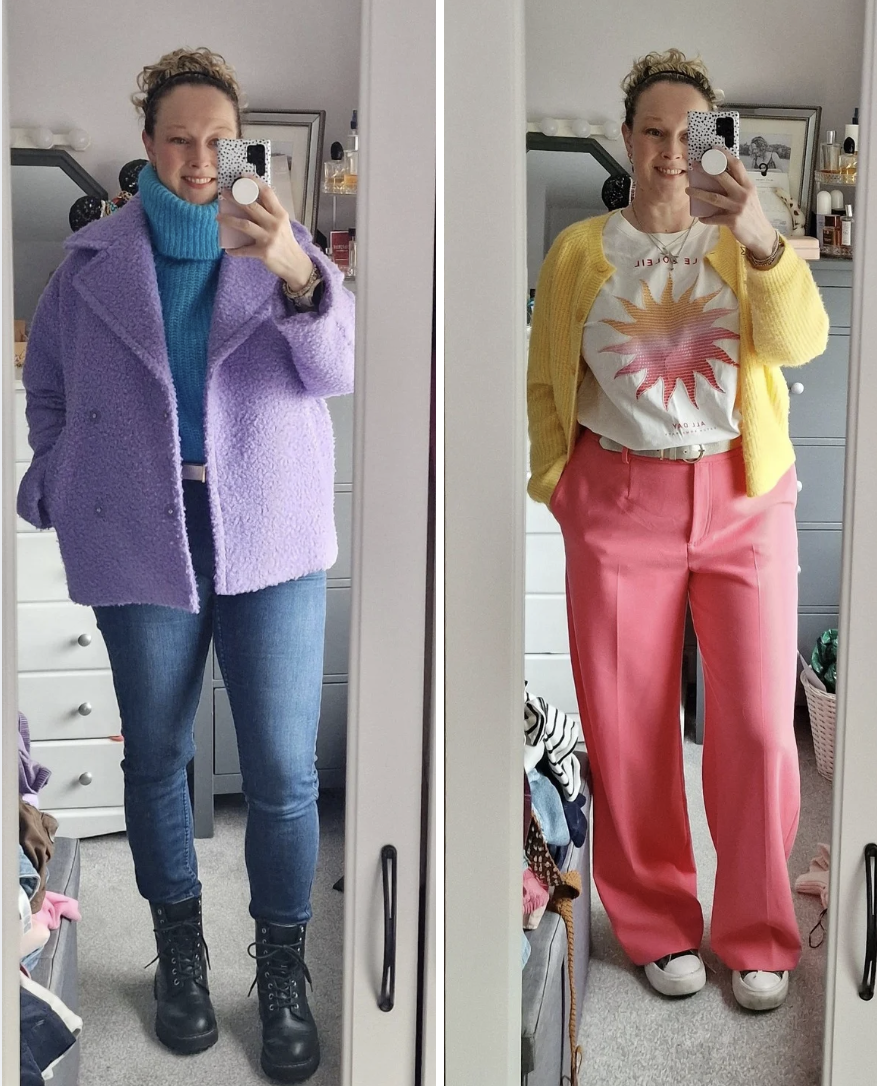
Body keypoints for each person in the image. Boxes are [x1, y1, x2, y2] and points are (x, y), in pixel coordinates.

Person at [17, 47, 355, 1082]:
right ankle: (180, 956)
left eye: (219, 140)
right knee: (158, 756)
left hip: (272, 532)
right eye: (180, 139)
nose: (202, 160)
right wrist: (58, 474)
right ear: (148, 145)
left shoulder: (288, 250)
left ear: (242, 144)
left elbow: (337, 371)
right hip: (139, 528)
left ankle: (282, 967)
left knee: (284, 771)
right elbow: (49, 392)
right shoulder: (90, 262)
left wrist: (295, 268)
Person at [527, 48, 829, 1013]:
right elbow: (546, 379)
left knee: (758, 726)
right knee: (629, 727)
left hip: (742, 495)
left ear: (715, 139)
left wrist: (760, 233)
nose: (669, 150)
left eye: (688, 133)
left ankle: (758, 930)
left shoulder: (744, 240)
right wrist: (559, 483)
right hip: (620, 501)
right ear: (626, 138)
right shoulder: (580, 251)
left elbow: (802, 343)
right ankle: (657, 923)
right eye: (652, 131)